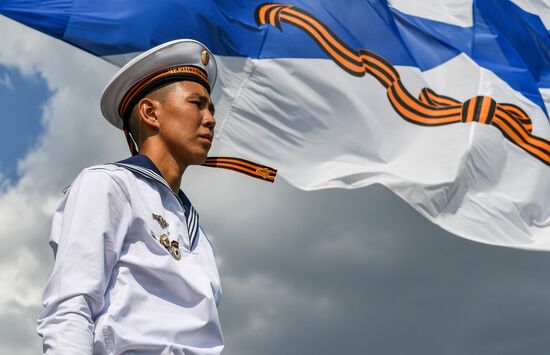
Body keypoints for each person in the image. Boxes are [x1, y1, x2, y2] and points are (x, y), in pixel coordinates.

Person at [37, 39, 229, 354]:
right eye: (197, 104)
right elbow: (70, 307)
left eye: (211, 108)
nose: (210, 119)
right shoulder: (109, 186)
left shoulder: (197, 229)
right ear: (150, 112)